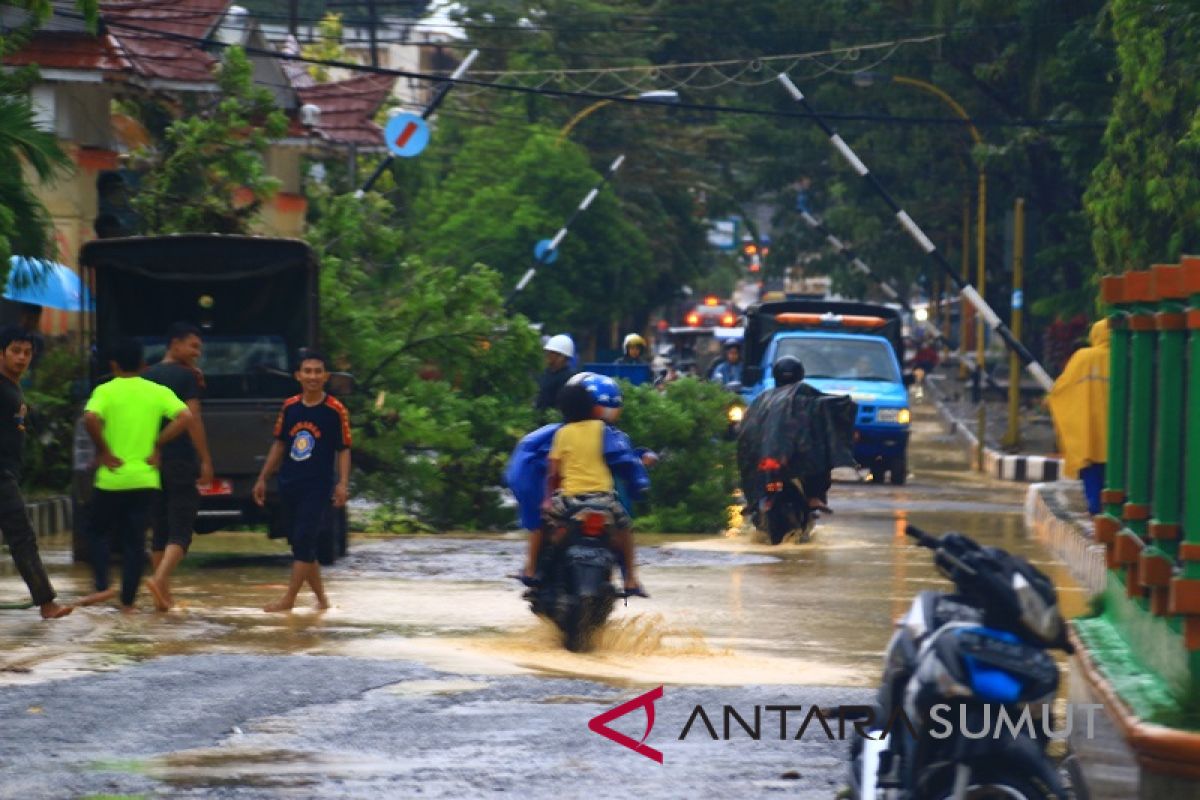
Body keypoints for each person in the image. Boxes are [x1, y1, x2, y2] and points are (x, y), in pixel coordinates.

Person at [80, 338, 193, 612]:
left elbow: (90, 418)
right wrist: (158, 443)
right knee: (135, 541)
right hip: (145, 479)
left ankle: (103, 585)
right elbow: (186, 416)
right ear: (143, 364)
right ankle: (128, 604)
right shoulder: (156, 391)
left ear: (113, 365)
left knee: (96, 531)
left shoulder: (105, 390)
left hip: (112, 477)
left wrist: (104, 451)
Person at [253, 351, 351, 612]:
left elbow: (343, 448)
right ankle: (322, 601)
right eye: (307, 371)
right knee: (300, 544)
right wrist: (263, 478)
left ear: (326, 376)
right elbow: (280, 444)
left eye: (318, 371)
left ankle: (289, 600)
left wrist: (342, 483)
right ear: (298, 376)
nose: (313, 376)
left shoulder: (335, 410)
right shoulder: (290, 407)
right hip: (289, 482)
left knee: (305, 539)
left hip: (318, 485)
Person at [543, 380, 647, 596]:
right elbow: (620, 458)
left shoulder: (562, 434)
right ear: (592, 407)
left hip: (570, 501)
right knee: (626, 529)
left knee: (547, 528)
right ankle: (630, 579)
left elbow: (553, 473)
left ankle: (540, 574)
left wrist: (547, 499)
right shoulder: (603, 429)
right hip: (604, 501)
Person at [0, 327, 72, 619]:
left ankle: (46, 602)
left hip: (8, 474)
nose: (21, 358)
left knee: (21, 537)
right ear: (1, 352)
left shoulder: (13, 388)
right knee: (23, 536)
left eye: (27, 353)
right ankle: (47, 603)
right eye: (15, 351)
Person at [142, 322, 214, 611]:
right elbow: (192, 418)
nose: (197, 353)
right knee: (181, 529)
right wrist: (206, 458)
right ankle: (159, 581)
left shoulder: (146, 375)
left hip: (150, 463)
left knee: (159, 526)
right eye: (193, 346)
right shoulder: (186, 377)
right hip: (180, 459)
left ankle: (164, 599)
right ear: (175, 344)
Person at [1047, 320, 1109, 515]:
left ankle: (1096, 513)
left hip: (1089, 434)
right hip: (1118, 439)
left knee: (1092, 478)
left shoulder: (1083, 358)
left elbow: (1061, 389)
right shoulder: (1128, 355)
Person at [535, 334, 576, 413]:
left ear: (562, 357)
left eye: (551, 352)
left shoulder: (568, 378)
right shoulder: (545, 373)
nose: (547, 355)